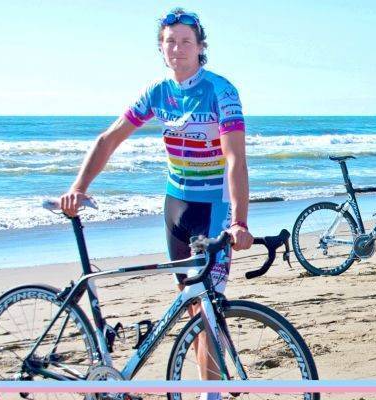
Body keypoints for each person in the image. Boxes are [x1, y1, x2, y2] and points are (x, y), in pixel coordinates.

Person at [60, 8, 253, 398]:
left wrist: (240, 221)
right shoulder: (157, 92)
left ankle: (210, 393)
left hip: (213, 209)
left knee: (207, 308)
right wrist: (78, 186)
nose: (177, 49)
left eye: (185, 41)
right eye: (170, 42)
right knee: (193, 307)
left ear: (200, 47)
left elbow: (235, 158)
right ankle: (211, 387)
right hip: (175, 209)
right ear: (161, 48)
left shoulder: (221, 91)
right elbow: (109, 139)